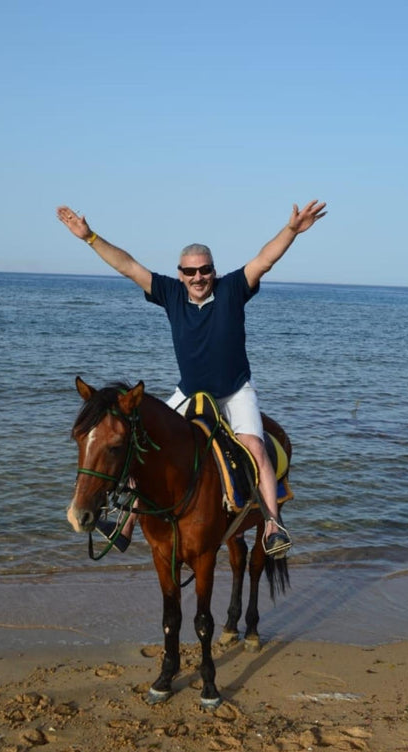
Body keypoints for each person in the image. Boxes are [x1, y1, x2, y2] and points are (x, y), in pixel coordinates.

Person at [57, 199, 327, 557]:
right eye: (190, 272)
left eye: (204, 270)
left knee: (257, 447)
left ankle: (274, 525)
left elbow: (265, 259)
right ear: (180, 274)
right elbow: (128, 266)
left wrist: (291, 230)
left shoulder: (232, 289)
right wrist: (89, 237)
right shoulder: (170, 294)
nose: (198, 277)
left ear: (213, 271)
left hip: (234, 392)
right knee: (140, 442)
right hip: (190, 392)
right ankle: (125, 524)